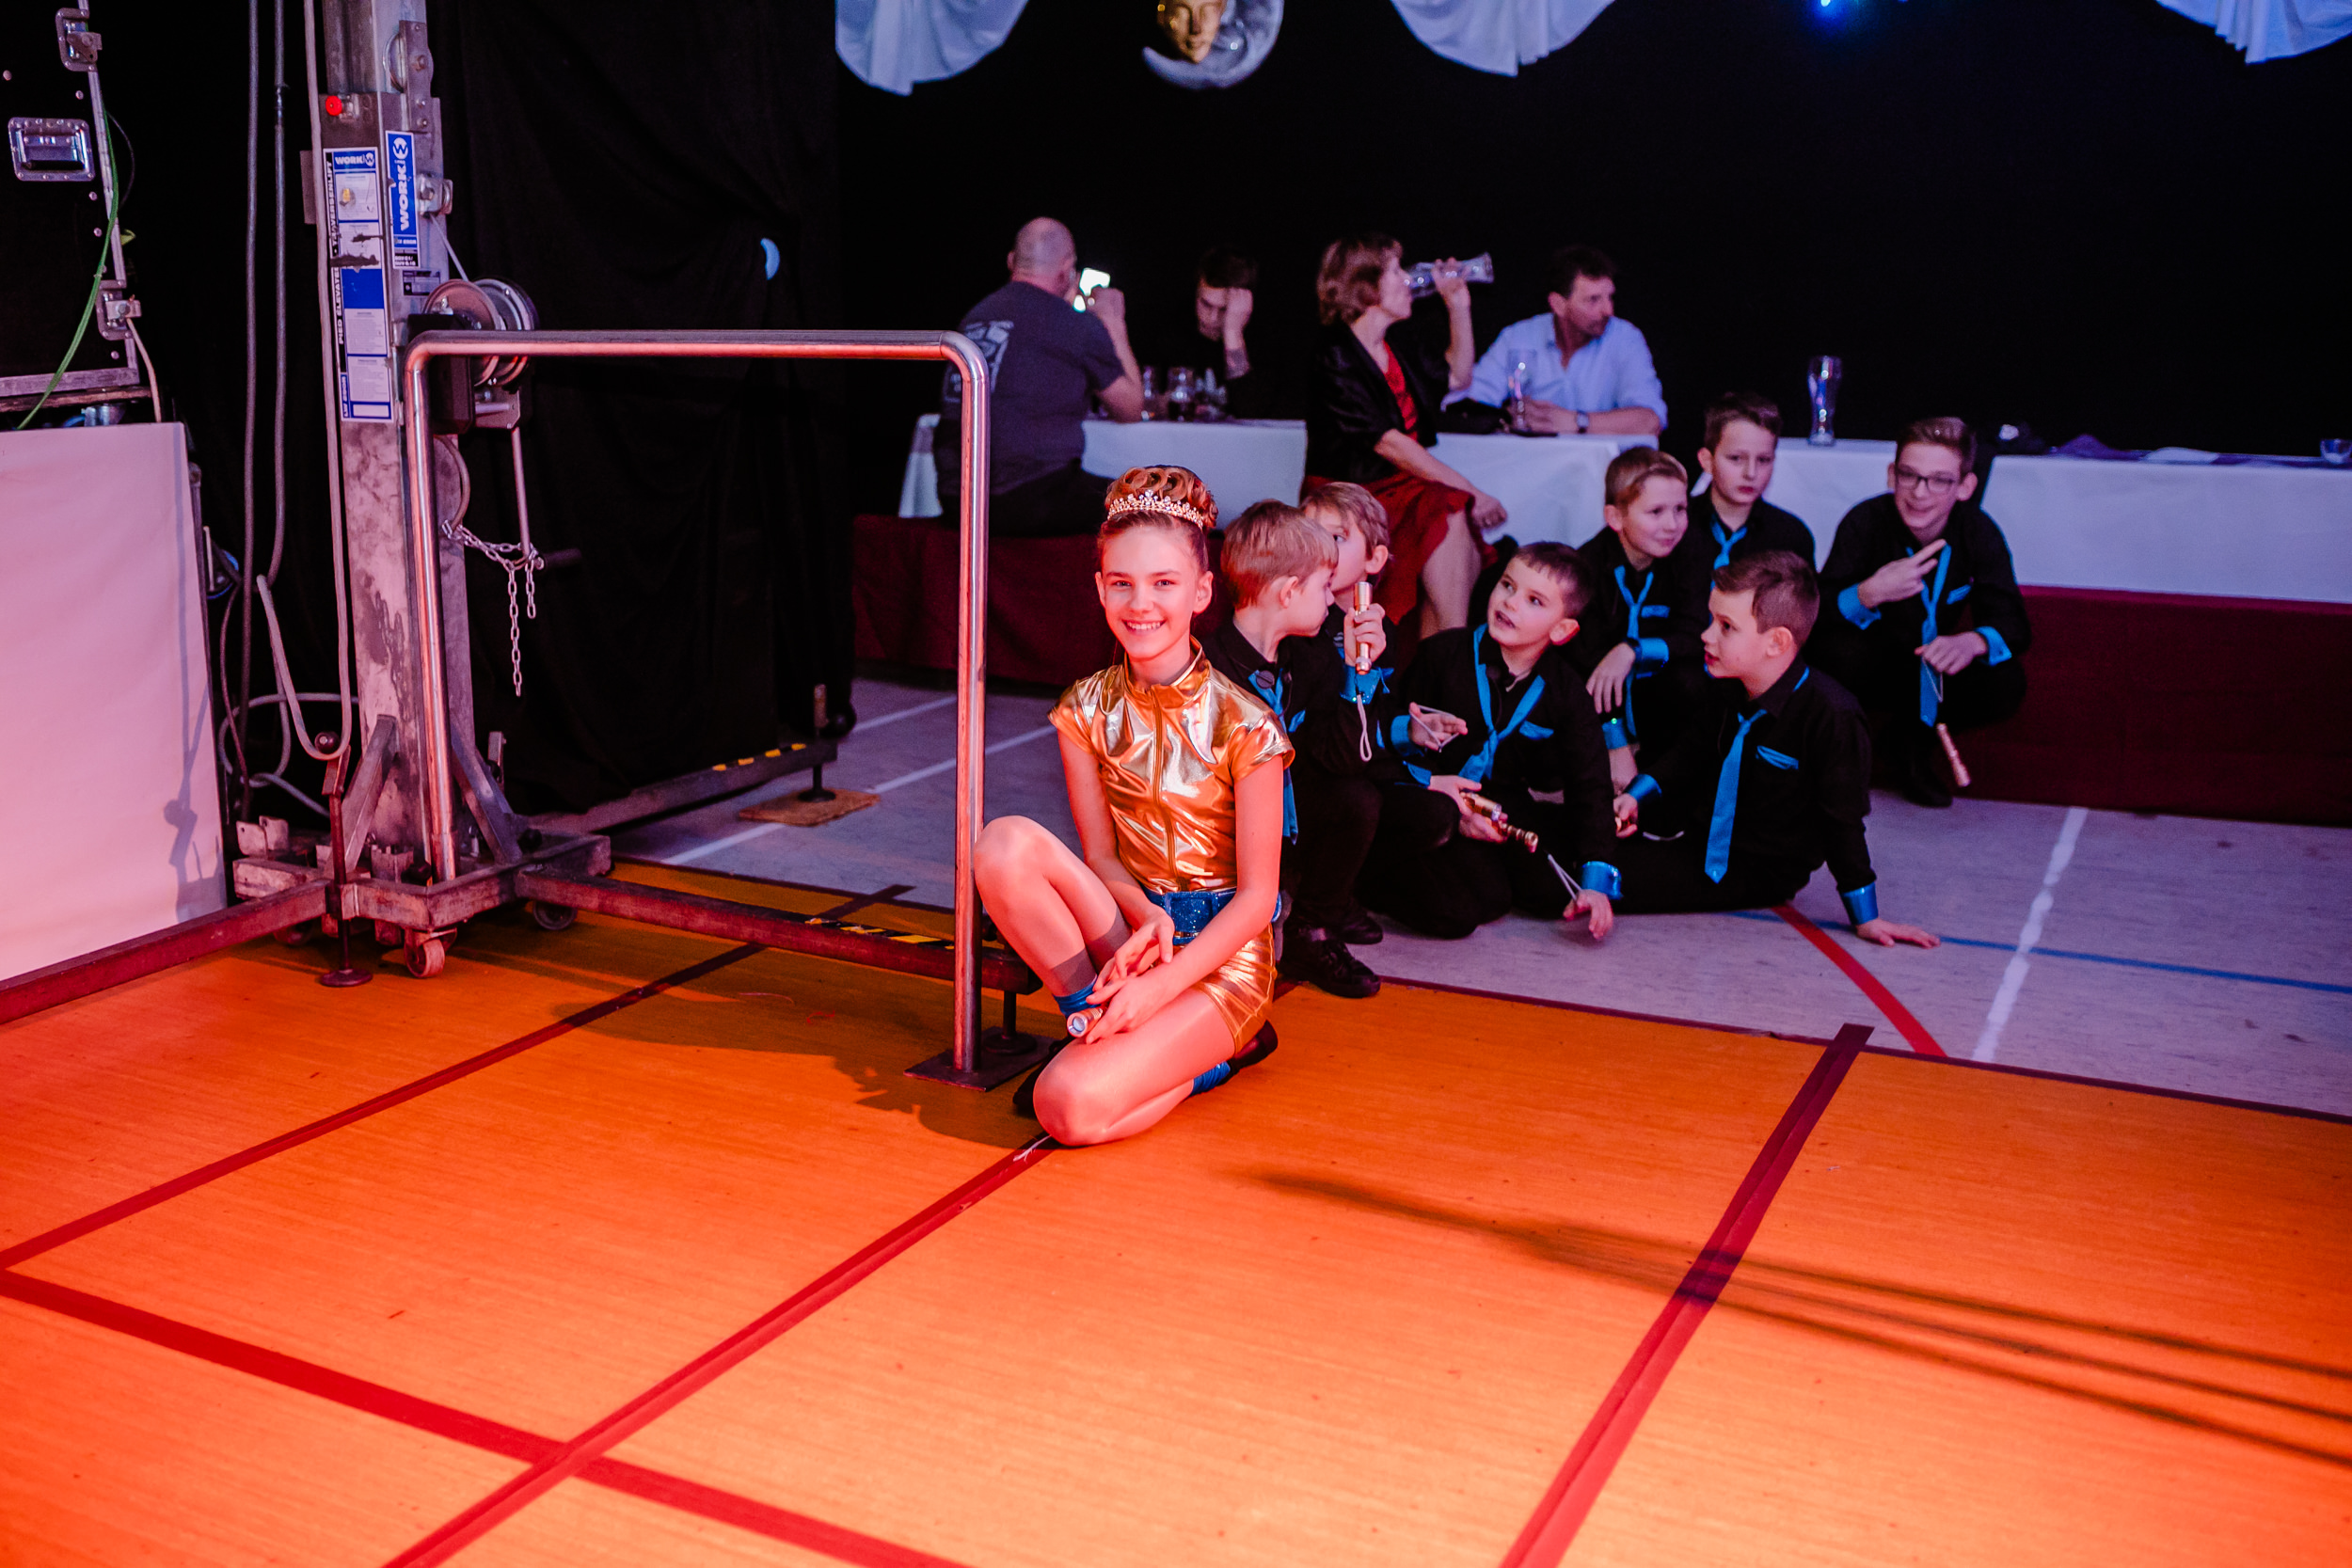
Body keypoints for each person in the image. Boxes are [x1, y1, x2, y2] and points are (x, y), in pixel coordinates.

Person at [974, 467, 1285, 1145]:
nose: (1140, 604)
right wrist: (1144, 918)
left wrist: (1162, 985)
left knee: (1066, 1107)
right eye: (1122, 583)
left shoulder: (1247, 724)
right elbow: (1103, 858)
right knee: (1002, 843)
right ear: (1100, 588)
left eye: (1163, 583)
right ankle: (1094, 1020)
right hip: (1133, 929)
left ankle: (1212, 1053)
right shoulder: (1084, 709)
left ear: (1202, 591)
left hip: (1220, 958)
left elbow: (1259, 900)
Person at [1609, 551, 1939, 947]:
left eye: (1726, 626)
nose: (1706, 635)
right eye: (1712, 620)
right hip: (1694, 834)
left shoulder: (1832, 717)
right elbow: (1688, 754)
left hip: (1749, 869)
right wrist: (1635, 797)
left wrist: (1865, 917)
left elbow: (1843, 823)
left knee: (1594, 873)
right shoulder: (1728, 683)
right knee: (1576, 827)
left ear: (1777, 642)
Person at [1203, 499, 1456, 998]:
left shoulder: (1311, 657)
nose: (1330, 599)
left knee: (1355, 800)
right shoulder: (1208, 668)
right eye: (1324, 587)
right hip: (1223, 830)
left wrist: (1358, 672)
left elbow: (1344, 758)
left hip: (1285, 815)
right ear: (1289, 592)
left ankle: (1311, 928)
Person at [1359, 544, 1622, 942]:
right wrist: (1452, 805)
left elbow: (1591, 784)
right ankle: (1363, 877)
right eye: (1507, 585)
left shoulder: (1567, 692)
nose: (1510, 603)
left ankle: (1448, 858)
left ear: (1561, 630)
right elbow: (1387, 739)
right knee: (1460, 912)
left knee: (1537, 892)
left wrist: (1596, 882)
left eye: (1534, 601)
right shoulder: (1442, 654)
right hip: (1426, 793)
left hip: (1494, 802)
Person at [1812, 417, 2030, 808]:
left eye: (1939, 481)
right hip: (1874, 662)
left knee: (2005, 680)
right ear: (1891, 475)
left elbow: (2013, 622)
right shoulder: (1865, 522)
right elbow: (1814, 613)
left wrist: (1973, 641)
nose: (1919, 492)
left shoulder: (1978, 531)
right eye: (1909, 475)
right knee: (1837, 654)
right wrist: (1867, 593)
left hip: (1936, 662)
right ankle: (1843, 758)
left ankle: (1908, 744)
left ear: (1965, 487)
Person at [1304, 231, 1507, 654]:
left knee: (1448, 513)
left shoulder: (1397, 344)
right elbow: (1390, 444)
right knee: (1448, 506)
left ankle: (1442, 658)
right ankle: (1446, 661)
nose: (1409, 279)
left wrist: (1458, 306)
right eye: (1396, 271)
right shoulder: (1334, 354)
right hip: (1349, 495)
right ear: (1367, 286)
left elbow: (1458, 377)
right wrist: (1473, 492)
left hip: (1400, 488)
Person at [935, 217, 1144, 538]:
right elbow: (1130, 408)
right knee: (1152, 504)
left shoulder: (974, 317)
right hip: (1030, 495)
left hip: (957, 498)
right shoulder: (1074, 325)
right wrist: (1113, 321)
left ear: (1011, 261)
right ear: (1068, 270)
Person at [1575, 450, 1708, 791]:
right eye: (1656, 512)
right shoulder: (1588, 567)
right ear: (1615, 517)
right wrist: (1614, 740)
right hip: (1597, 706)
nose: (1672, 524)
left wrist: (1633, 650)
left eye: (1680, 509)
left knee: (1693, 680)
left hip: (1657, 693)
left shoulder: (1691, 553)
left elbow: (1695, 632)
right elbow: (1586, 663)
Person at [1456, 245, 1666, 436]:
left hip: (1601, 465)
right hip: (1528, 461)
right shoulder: (1519, 336)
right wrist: (1506, 416)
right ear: (1558, 305)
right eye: (1593, 300)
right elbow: (1466, 405)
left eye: (1610, 297)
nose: (1608, 310)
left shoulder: (1625, 338)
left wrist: (1577, 422)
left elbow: (1650, 421)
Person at [1676, 392, 1815, 571]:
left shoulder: (1790, 536)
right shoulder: (1674, 527)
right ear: (1707, 461)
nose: (1751, 473)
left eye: (1763, 460)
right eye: (1736, 458)